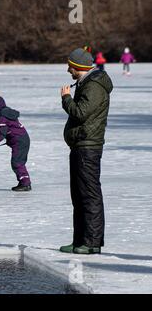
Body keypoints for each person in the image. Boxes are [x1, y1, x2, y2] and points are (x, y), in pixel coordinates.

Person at [60, 47, 113, 255]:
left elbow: (81, 113)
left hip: (88, 147)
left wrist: (66, 98)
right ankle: (79, 240)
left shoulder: (94, 86)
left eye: (70, 66)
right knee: (78, 195)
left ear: (78, 67)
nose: (68, 70)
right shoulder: (86, 83)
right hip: (80, 145)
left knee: (89, 194)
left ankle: (91, 243)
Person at [0, 96, 32, 192]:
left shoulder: (2, 116)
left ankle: (25, 184)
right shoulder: (7, 113)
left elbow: (2, 132)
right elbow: (11, 130)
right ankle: (23, 181)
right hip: (23, 139)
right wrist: (10, 140)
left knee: (17, 162)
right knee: (18, 162)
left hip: (19, 141)